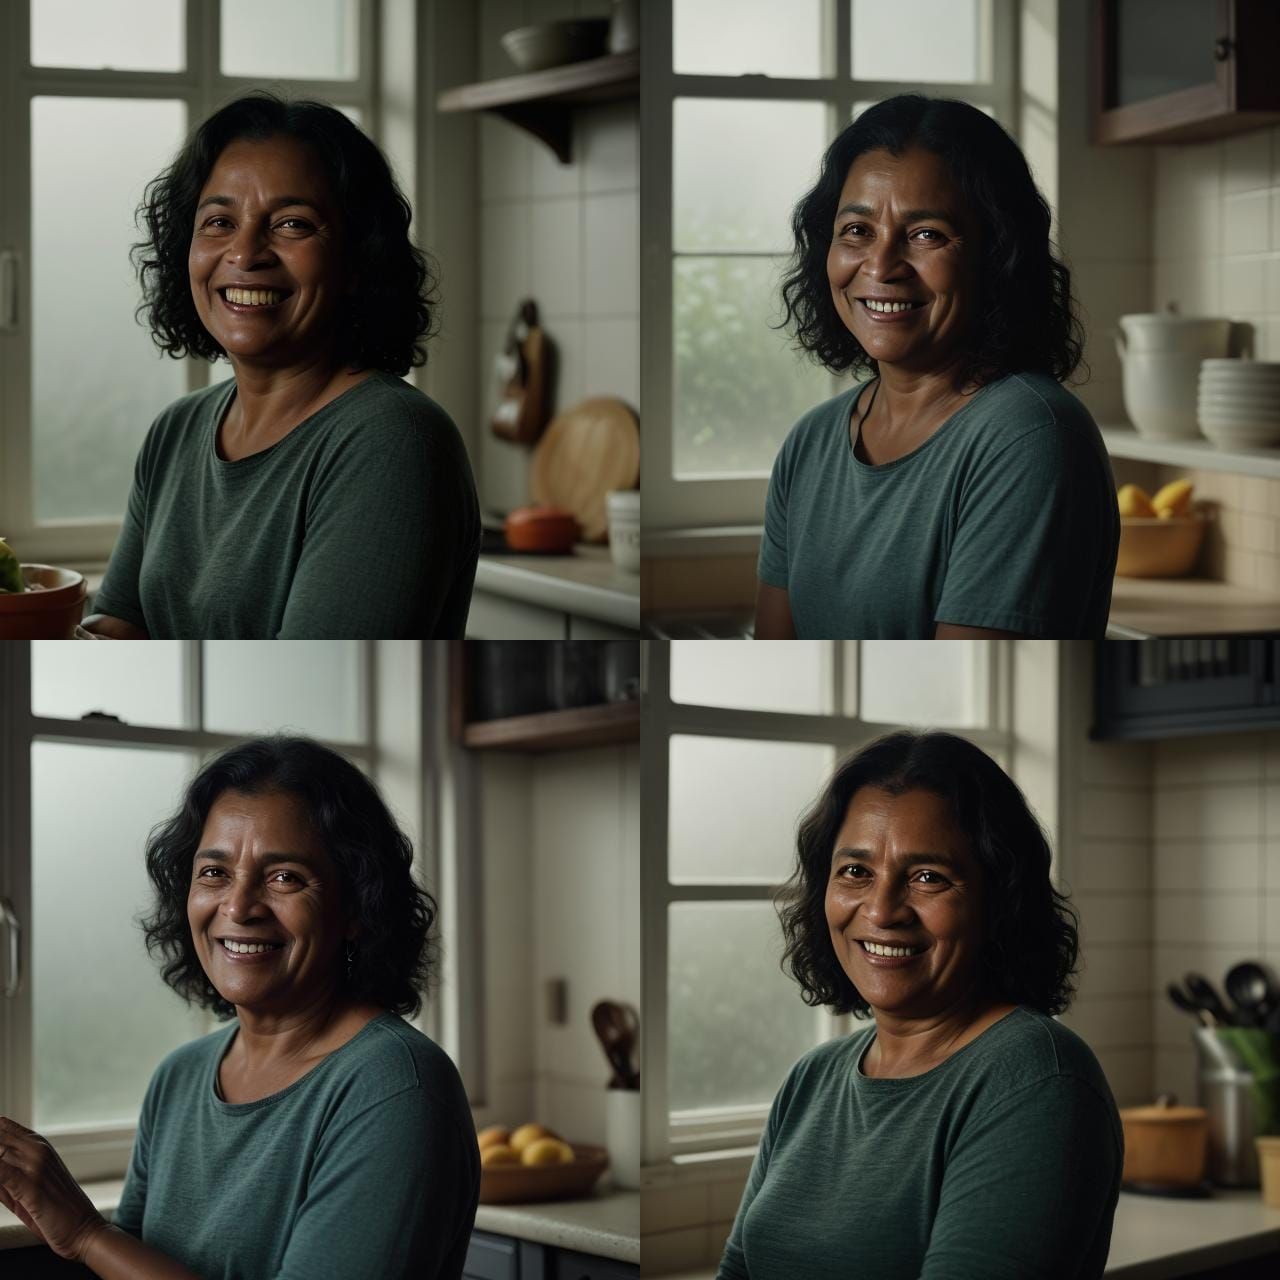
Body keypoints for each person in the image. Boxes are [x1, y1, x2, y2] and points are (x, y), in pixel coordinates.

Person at [0, 735, 479, 1279]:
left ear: (356, 907)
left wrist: (87, 1234)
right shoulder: (179, 1077)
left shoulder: (396, 1088)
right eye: (215, 873)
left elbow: (103, 1247)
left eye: (284, 877)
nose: (239, 906)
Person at [717, 731, 1122, 1279]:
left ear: (999, 898)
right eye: (856, 871)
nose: (882, 910)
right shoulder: (812, 1079)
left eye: (928, 877)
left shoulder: (1037, 1079)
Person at [81, 91, 480, 639]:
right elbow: (119, 627)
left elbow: (316, 675)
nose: (245, 254)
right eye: (218, 221)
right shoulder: (175, 431)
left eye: (292, 224)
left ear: (358, 257)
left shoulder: (394, 442)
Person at [756, 94, 1120, 639]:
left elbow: (968, 665)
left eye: (926, 234)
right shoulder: (810, 442)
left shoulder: (1029, 438)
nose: (881, 265)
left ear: (997, 255)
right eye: (857, 231)